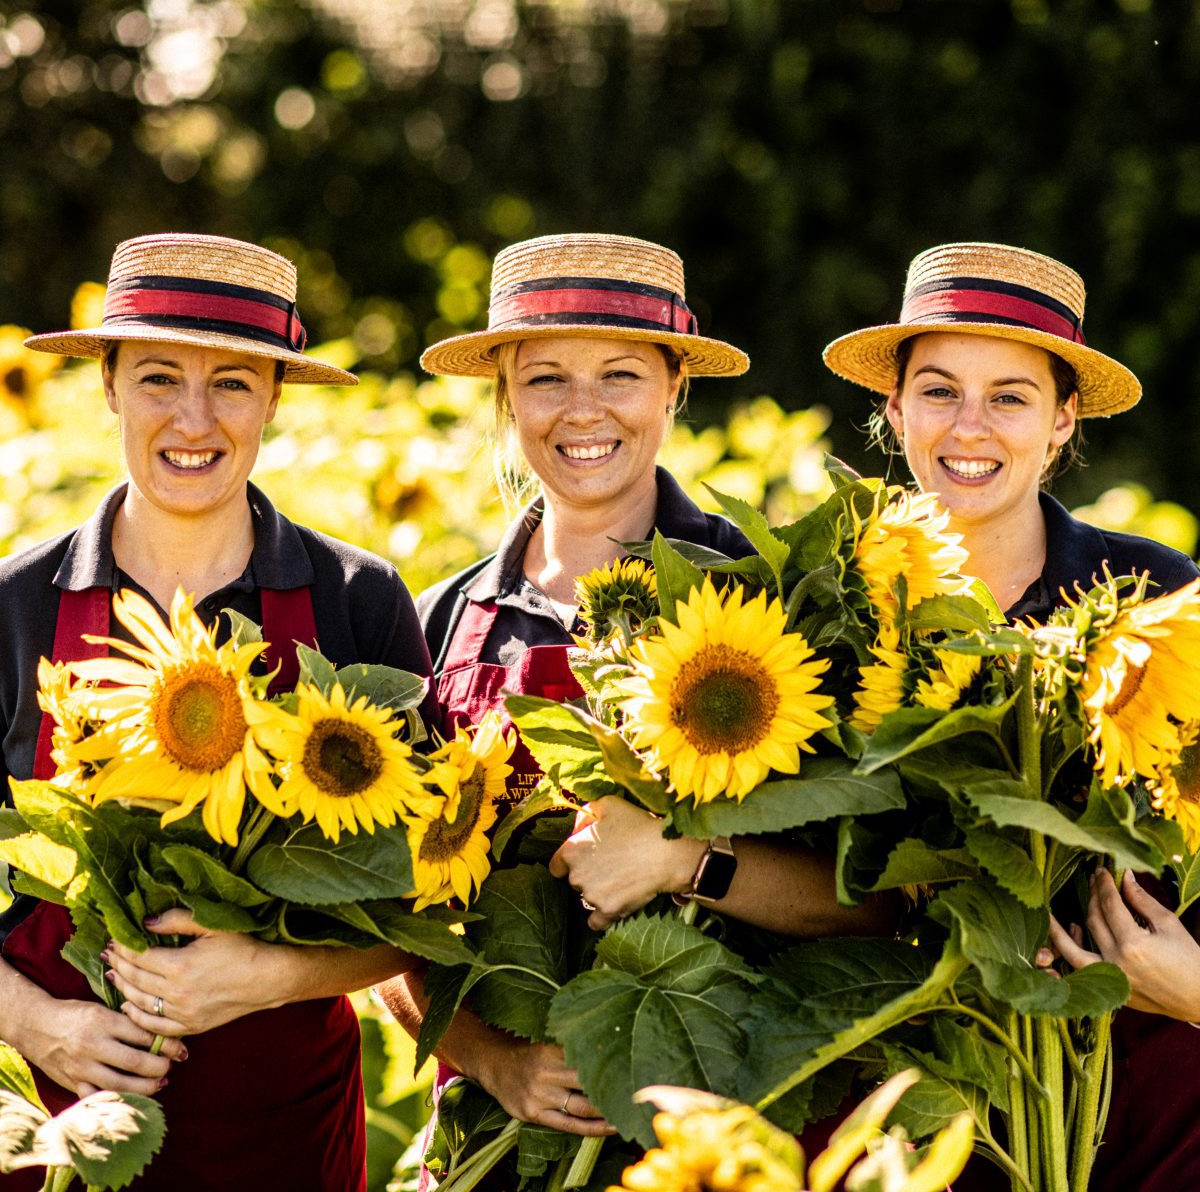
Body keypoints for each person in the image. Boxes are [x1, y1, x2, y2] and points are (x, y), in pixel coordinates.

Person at [377, 233, 889, 1162]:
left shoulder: (771, 603)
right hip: (494, 1145)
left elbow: (877, 907)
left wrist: (689, 860)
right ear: (504, 395)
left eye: (619, 374)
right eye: (543, 379)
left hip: (733, 1139)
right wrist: (493, 1061)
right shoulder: (444, 620)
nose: (582, 411)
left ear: (673, 388)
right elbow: (376, 923)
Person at [0, 233, 433, 1191]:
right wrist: (42, 1027)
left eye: (233, 382)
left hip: (283, 1134)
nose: (193, 418)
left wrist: (270, 973)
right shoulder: (15, 606)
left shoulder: (355, 602)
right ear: (107, 384)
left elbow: (425, 902)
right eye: (159, 377)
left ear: (276, 398)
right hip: (54, 1128)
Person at [823, 239, 1200, 1192]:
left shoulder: (1157, 597)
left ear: (1063, 420)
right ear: (894, 407)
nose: (971, 427)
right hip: (912, 1102)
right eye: (940, 390)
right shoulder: (833, 607)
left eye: (1012, 396)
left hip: (1150, 1095)